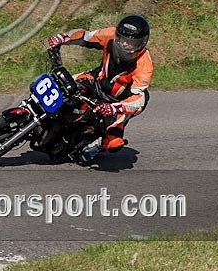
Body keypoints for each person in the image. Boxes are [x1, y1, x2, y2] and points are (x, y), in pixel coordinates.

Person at [47, 15, 153, 163]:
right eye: (122, 38)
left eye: (131, 42)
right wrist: (63, 37)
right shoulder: (109, 36)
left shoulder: (144, 64)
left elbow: (139, 100)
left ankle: (96, 145)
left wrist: (115, 108)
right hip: (97, 82)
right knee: (60, 85)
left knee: (114, 144)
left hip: (117, 101)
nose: (124, 44)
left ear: (142, 43)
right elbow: (85, 36)